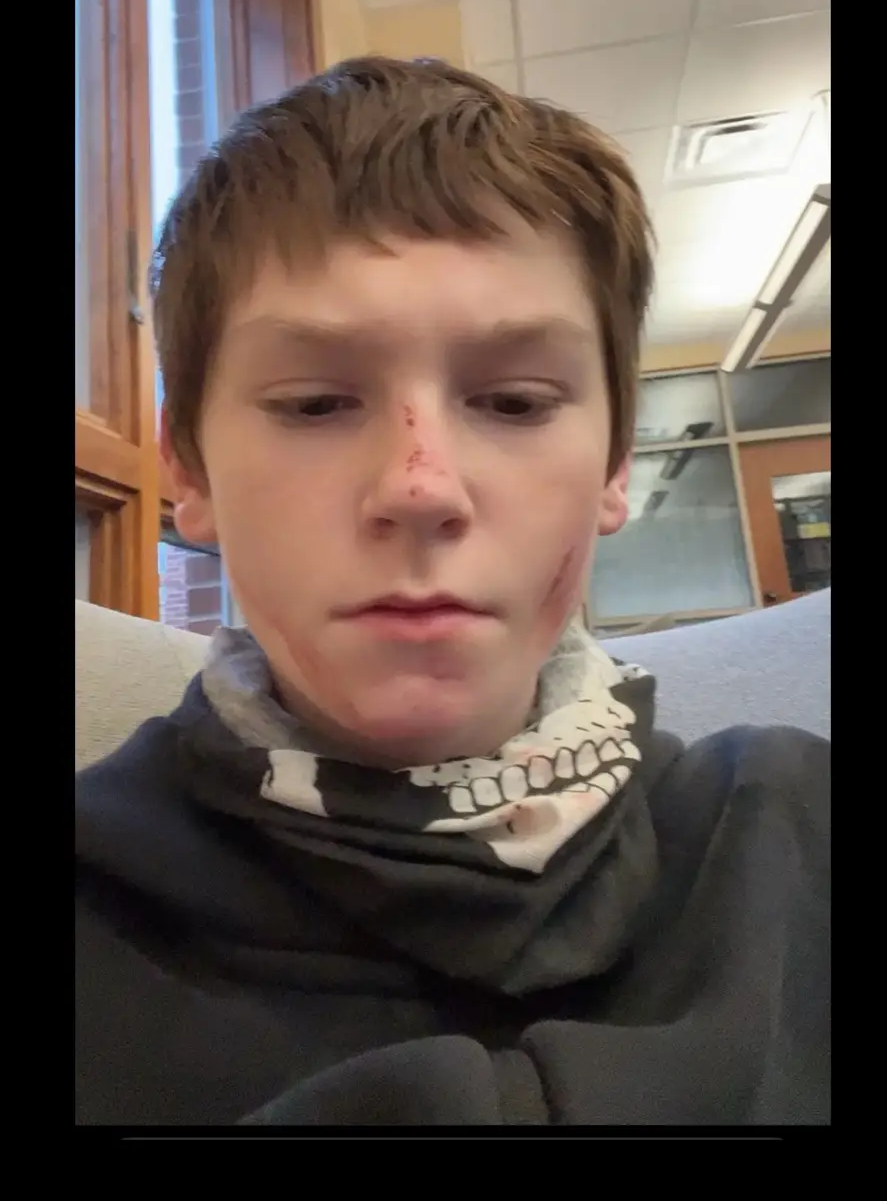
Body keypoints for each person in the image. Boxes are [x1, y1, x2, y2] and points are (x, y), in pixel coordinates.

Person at [76, 56, 829, 1126]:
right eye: (314, 402)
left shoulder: (791, 840)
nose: (419, 487)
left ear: (613, 466)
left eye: (515, 402)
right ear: (187, 470)